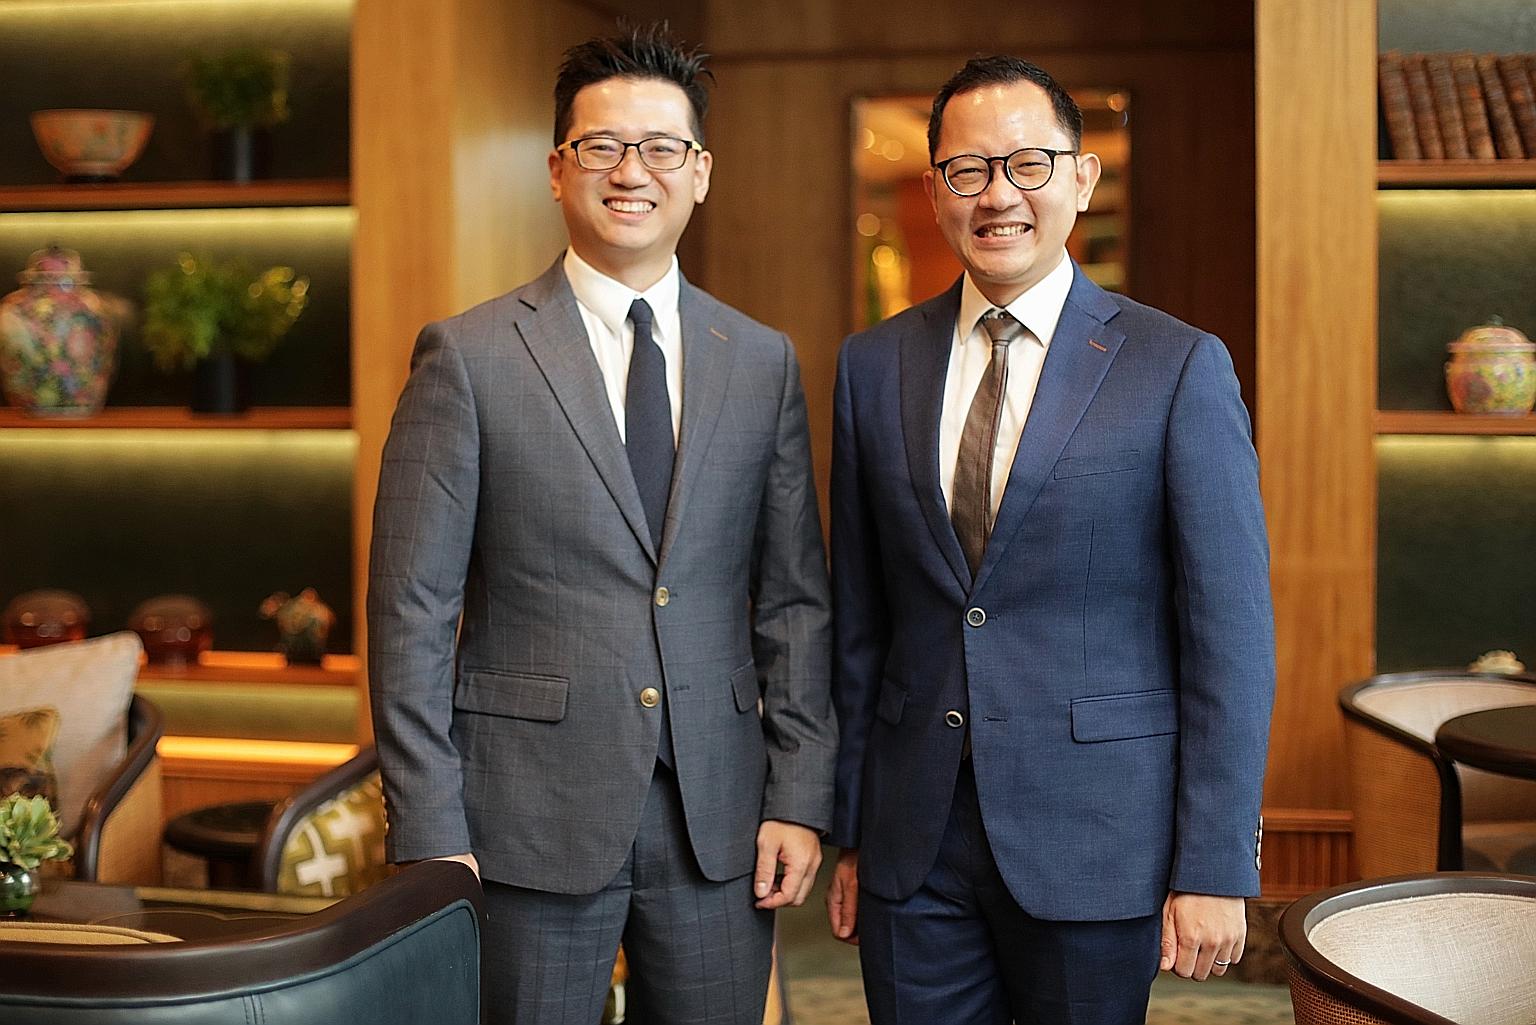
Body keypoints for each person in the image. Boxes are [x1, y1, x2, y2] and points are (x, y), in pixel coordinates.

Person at [367, 24, 835, 1025]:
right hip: (520, 822)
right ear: (555, 168)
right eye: (602, 146)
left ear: (700, 172)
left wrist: (799, 790)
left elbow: (794, 600)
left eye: (662, 147)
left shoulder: (760, 362)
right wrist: (430, 824)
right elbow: (410, 605)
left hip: (718, 817)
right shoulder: (471, 356)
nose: (634, 170)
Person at [825, 55, 1275, 1025]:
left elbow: (1229, 639)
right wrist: (852, 829)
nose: (999, 194)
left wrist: (1213, 859)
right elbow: (860, 621)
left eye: (1029, 163)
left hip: (1098, 836)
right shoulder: (871, 366)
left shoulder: (1176, 365)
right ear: (937, 187)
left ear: (1081, 178)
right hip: (914, 843)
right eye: (967, 169)